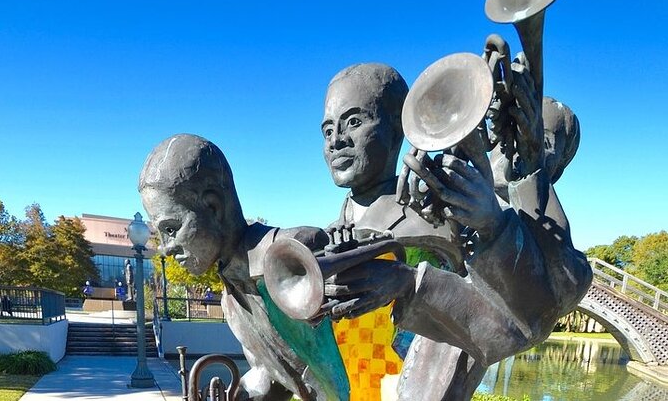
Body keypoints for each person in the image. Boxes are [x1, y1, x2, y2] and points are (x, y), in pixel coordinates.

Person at [320, 62, 591, 400]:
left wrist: (496, 219)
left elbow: (534, 313)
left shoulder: (487, 218)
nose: (336, 141)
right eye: (327, 130)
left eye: (546, 143)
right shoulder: (354, 216)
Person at [139, 133, 348, 401]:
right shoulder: (230, 299)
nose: (166, 247)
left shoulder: (297, 250)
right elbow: (270, 376)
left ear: (214, 207)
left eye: (171, 228)